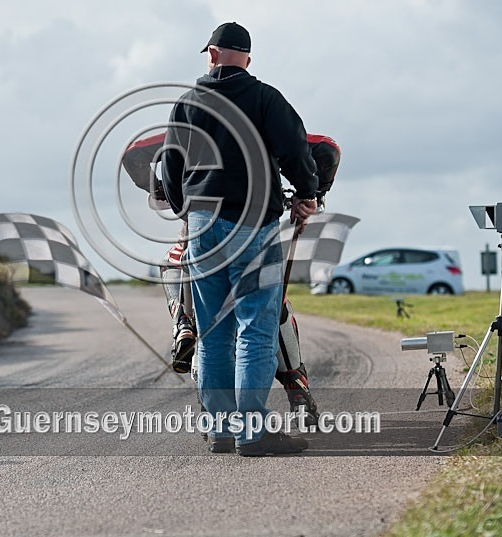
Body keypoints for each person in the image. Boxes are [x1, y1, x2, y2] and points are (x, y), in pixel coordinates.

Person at [161, 22, 320, 457]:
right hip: (254, 224)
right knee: (255, 328)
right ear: (246, 58)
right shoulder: (267, 98)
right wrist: (307, 194)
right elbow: (295, 150)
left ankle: (221, 431)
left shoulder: (187, 103)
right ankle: (253, 434)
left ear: (212, 55)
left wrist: (185, 208)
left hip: (202, 229)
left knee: (213, 333)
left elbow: (170, 166)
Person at [121, 131, 341, 422]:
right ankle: (296, 389)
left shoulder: (186, 127)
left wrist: (161, 189)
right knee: (273, 303)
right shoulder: (265, 121)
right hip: (254, 231)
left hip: (201, 233)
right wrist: (313, 192)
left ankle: (183, 322)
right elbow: (327, 148)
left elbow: (133, 153)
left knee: (175, 264)